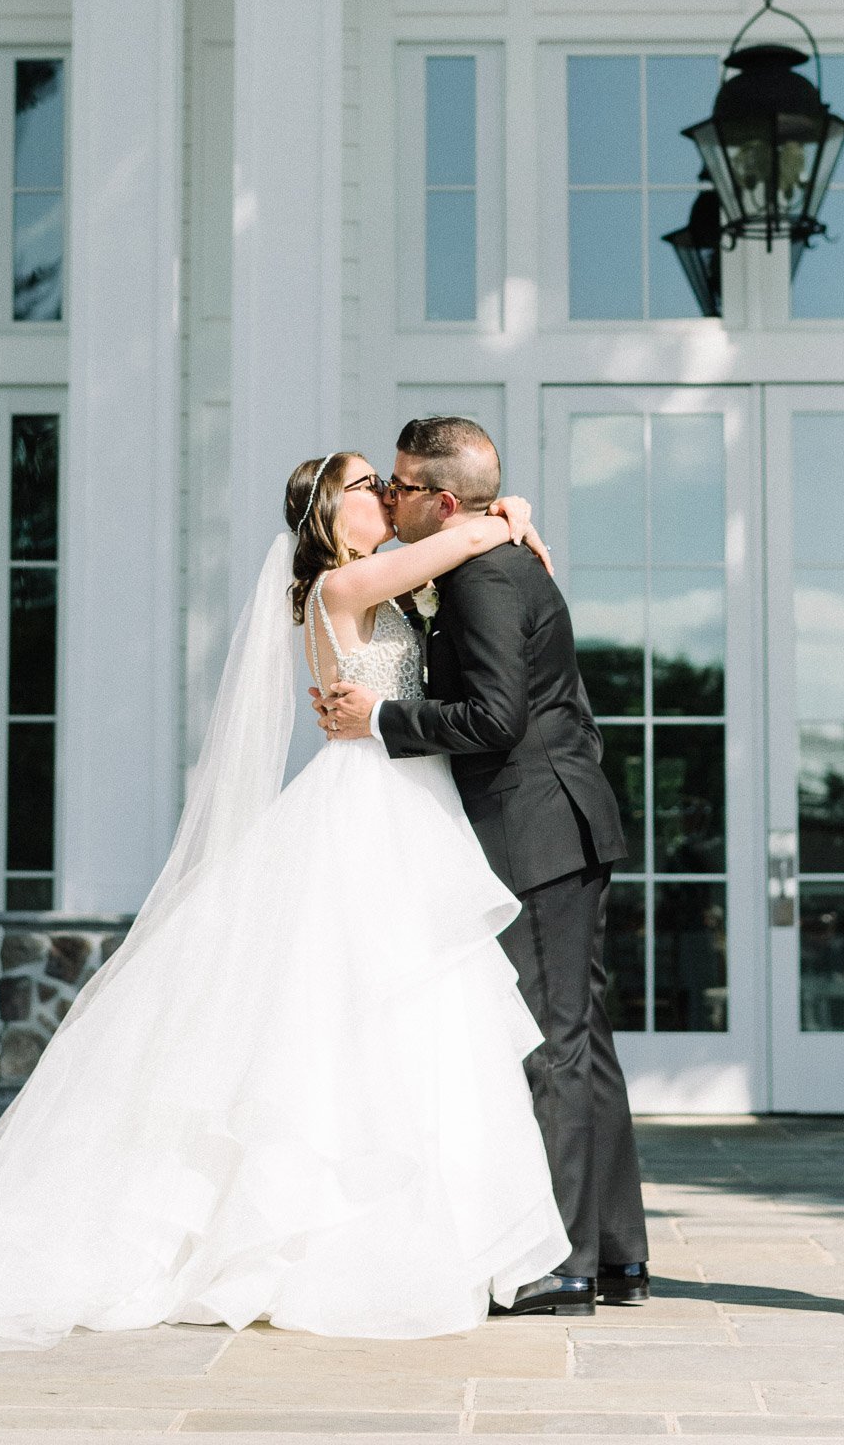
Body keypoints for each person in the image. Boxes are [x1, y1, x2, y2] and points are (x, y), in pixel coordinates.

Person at [0, 451, 568, 1354]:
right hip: (365, 806)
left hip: (404, 804)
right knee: (355, 1015)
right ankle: (325, 1247)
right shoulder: (342, 583)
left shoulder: (380, 582)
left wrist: (501, 511)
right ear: (331, 512)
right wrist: (504, 510)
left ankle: (433, 1237)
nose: (386, 498)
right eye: (370, 485)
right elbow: (466, 535)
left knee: (410, 1019)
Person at [316, 417, 649, 1318]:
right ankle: (614, 1253)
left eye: (397, 483)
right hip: (559, 820)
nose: (387, 496)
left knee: (552, 1041)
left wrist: (379, 721)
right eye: (372, 485)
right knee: (582, 1037)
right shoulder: (490, 560)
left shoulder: (478, 577)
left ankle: (565, 1265)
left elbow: (495, 718)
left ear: (439, 499)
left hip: (532, 825)